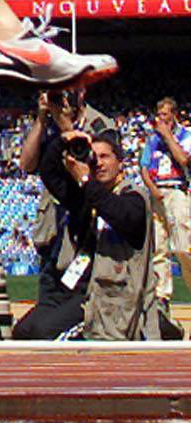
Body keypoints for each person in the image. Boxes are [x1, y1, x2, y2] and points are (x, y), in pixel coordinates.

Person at [16, 131, 157, 341]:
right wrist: (64, 139)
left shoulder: (134, 197)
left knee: (43, 333)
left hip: (109, 296)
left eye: (105, 156)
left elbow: (117, 212)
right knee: (23, 331)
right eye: (94, 157)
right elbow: (49, 173)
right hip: (75, 287)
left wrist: (85, 179)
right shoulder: (85, 195)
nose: (98, 163)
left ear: (121, 163)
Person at [17, 82, 117, 334]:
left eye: (67, 90)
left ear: (81, 92)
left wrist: (66, 128)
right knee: (38, 319)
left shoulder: (99, 124)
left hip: (84, 224)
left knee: (63, 318)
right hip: (53, 225)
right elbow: (27, 164)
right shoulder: (48, 125)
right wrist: (42, 120)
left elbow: (95, 170)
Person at [139, 97, 191, 304]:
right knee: (159, 248)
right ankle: (162, 296)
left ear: (174, 115)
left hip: (177, 190)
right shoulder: (152, 140)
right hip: (157, 192)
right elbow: (143, 167)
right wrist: (152, 189)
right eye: (158, 115)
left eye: (165, 115)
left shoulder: (186, 135)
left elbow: (184, 159)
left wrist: (168, 136)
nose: (160, 119)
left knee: (183, 246)